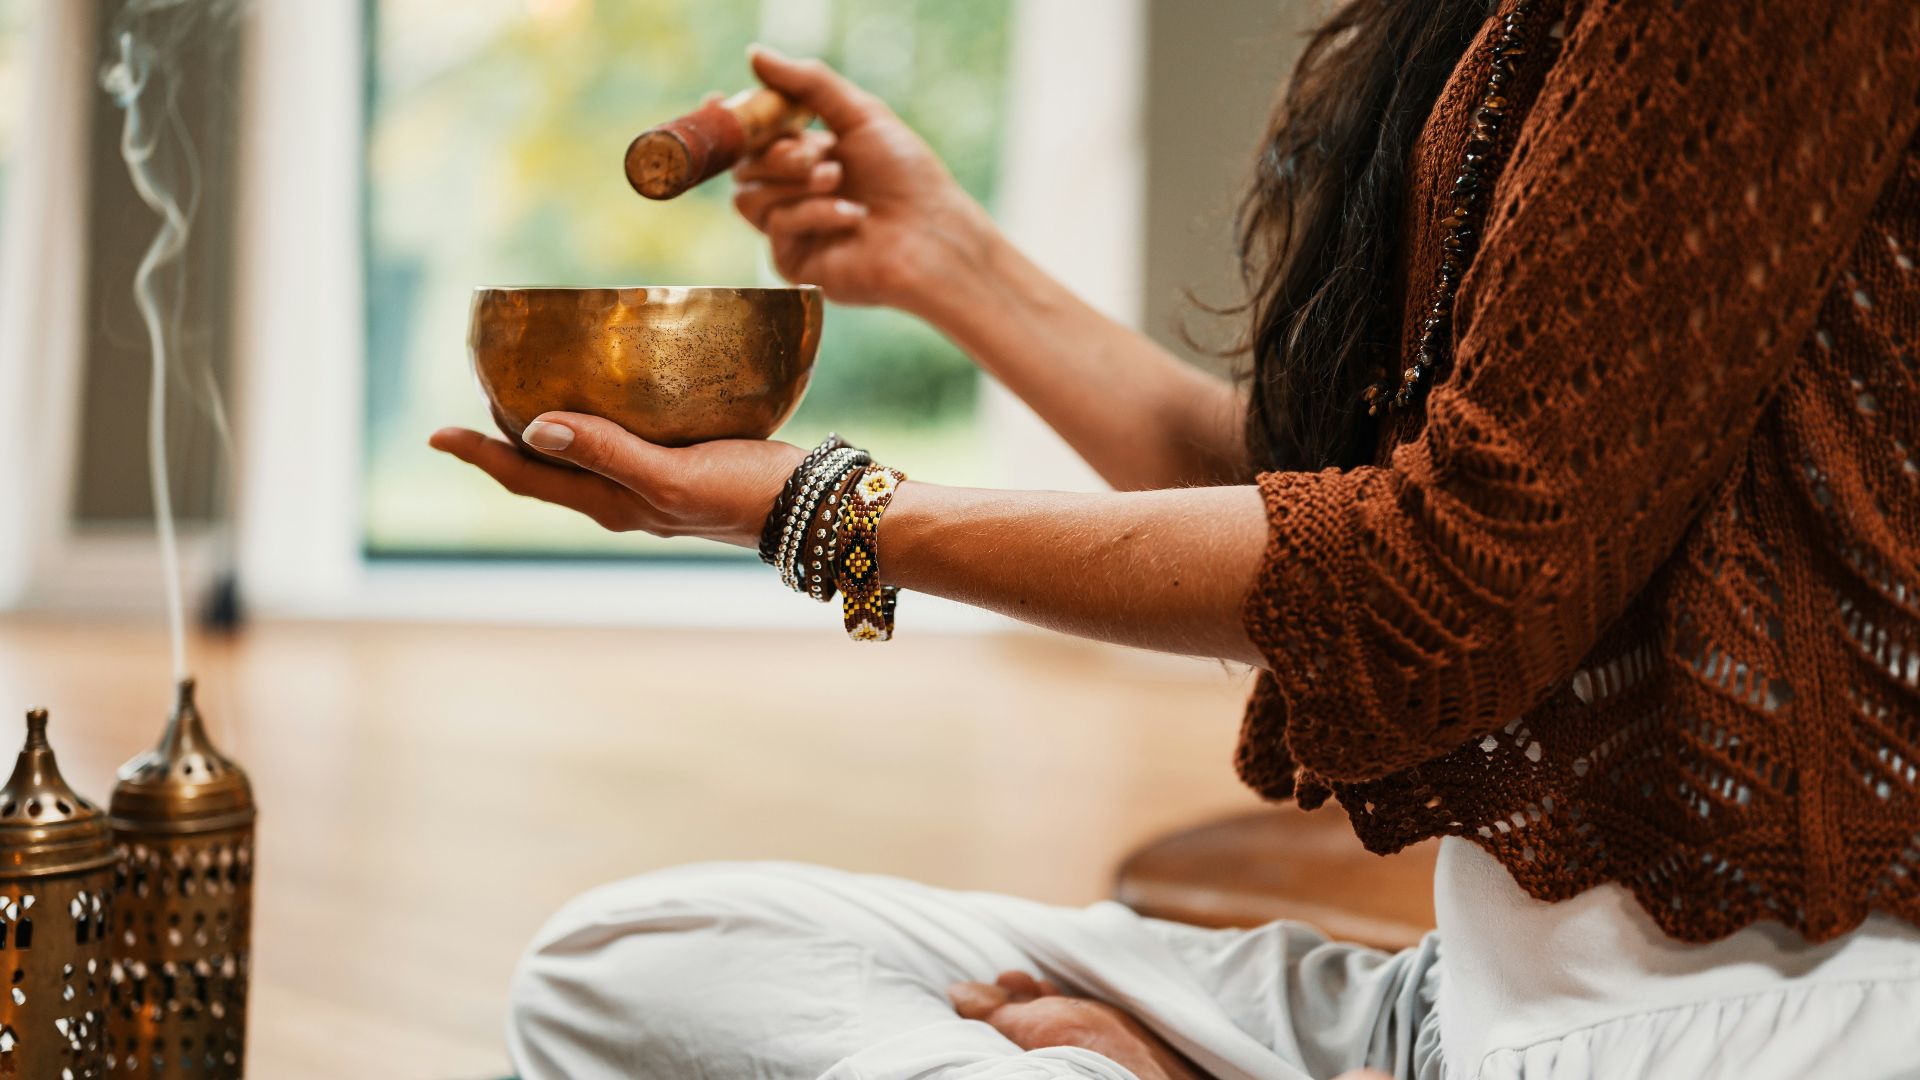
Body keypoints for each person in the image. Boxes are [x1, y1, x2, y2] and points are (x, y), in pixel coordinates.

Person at [429, 1, 1920, 1077]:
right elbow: (1326, 496)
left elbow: (1453, 576)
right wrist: (950, 262)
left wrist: (827, 510)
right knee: (629, 964)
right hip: (1449, 1012)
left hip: (1728, 1033)